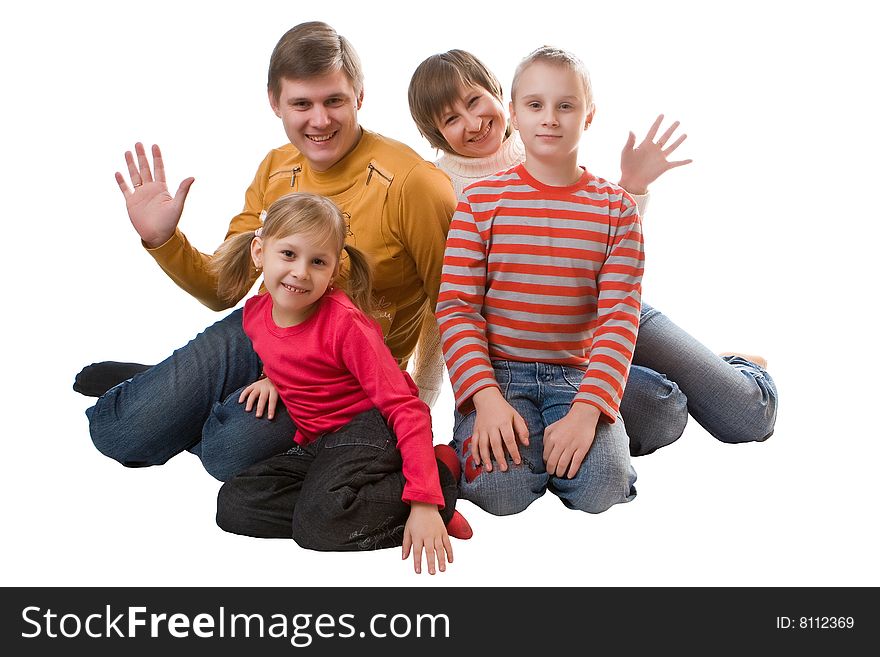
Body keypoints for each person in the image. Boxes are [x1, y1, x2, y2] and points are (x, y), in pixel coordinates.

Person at [83, 21, 457, 482]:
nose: (319, 121)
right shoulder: (276, 168)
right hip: (263, 337)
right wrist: (164, 239)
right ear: (274, 102)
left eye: (334, 101)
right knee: (116, 433)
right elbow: (225, 287)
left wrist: (420, 397)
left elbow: (451, 305)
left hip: (336, 376)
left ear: (359, 96)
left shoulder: (415, 185)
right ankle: (174, 395)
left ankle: (179, 394)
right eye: (301, 103)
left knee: (227, 453)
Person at [407, 49, 778, 461]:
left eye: (474, 101)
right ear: (436, 133)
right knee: (659, 406)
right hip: (534, 354)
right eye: (451, 119)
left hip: (609, 310)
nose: (473, 123)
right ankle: (681, 381)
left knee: (748, 414)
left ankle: (730, 367)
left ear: (499, 96)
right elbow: (443, 301)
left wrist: (631, 186)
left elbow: (606, 236)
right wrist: (422, 402)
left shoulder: (540, 134)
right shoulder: (441, 189)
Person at [206, 192, 466, 573]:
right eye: (289, 254)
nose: (300, 272)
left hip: (370, 428)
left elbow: (405, 407)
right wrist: (272, 380)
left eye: (318, 262)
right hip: (319, 443)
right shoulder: (254, 315)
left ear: (333, 270)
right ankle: (337, 506)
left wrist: (424, 503)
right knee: (234, 505)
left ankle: (438, 487)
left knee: (317, 528)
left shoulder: (346, 325)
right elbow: (290, 352)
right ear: (260, 252)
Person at [434, 45, 643, 515]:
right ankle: (533, 455)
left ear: (588, 116)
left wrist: (587, 412)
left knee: (602, 490)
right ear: (513, 114)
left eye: (565, 106)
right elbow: (456, 308)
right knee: (496, 494)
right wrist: (485, 400)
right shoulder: (480, 202)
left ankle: (598, 443)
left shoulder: (617, 210)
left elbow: (619, 318)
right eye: (535, 105)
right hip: (500, 375)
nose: (550, 118)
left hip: (576, 376)